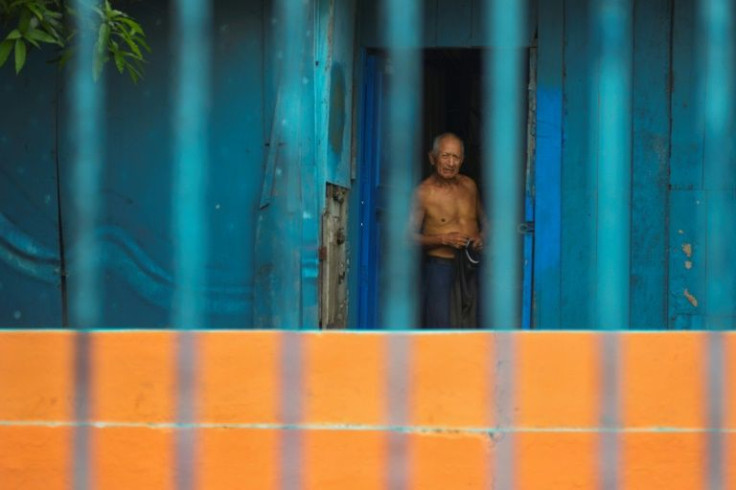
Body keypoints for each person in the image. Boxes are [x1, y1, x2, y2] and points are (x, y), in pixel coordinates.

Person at [411, 133, 485, 328]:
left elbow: (487, 223)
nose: (451, 163)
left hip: (472, 265)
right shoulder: (424, 193)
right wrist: (444, 239)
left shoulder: (470, 186)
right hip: (441, 268)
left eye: (456, 157)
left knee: (476, 325)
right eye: (445, 156)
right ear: (432, 158)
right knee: (441, 327)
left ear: (462, 160)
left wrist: (482, 237)